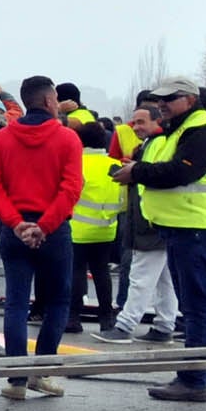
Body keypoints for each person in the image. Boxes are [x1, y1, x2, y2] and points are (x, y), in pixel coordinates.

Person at [112, 76, 206, 403]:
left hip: (198, 229)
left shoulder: (202, 131)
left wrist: (137, 172)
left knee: (197, 307)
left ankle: (194, 379)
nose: (162, 104)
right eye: (160, 99)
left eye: (171, 98)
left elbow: (180, 172)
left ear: (191, 100)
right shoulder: (180, 130)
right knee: (193, 306)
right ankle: (191, 375)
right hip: (184, 228)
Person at [0, 75, 82, 399]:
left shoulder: (2, 139)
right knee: (56, 302)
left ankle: (16, 380)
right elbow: (71, 187)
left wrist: (16, 223)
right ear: (50, 101)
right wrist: (46, 226)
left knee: (16, 302)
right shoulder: (67, 139)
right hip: (52, 231)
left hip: (14, 230)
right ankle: (42, 372)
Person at [112, 103, 179, 341]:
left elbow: (150, 177)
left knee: (141, 276)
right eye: (134, 122)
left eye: (141, 122)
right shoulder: (156, 144)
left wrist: (133, 172)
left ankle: (125, 325)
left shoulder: (156, 145)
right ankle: (165, 324)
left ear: (156, 121)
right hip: (158, 220)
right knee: (165, 278)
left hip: (149, 221)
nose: (135, 126)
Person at [66, 122, 125, 332]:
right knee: (102, 274)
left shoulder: (77, 164)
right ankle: (106, 318)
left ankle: (73, 317)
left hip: (77, 229)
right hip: (107, 229)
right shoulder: (115, 164)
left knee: (76, 272)